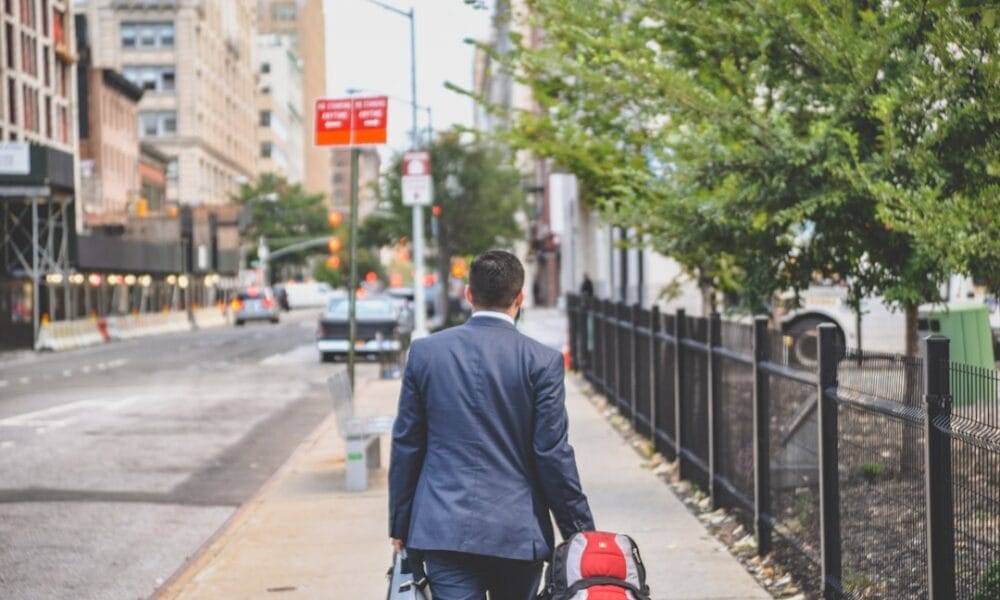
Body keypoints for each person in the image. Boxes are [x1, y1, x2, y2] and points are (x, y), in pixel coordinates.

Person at [389, 250, 594, 600]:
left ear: (469, 294)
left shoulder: (426, 353)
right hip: (516, 532)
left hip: (442, 527)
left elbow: (408, 443)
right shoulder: (542, 362)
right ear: (520, 297)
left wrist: (401, 522)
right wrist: (579, 530)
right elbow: (551, 454)